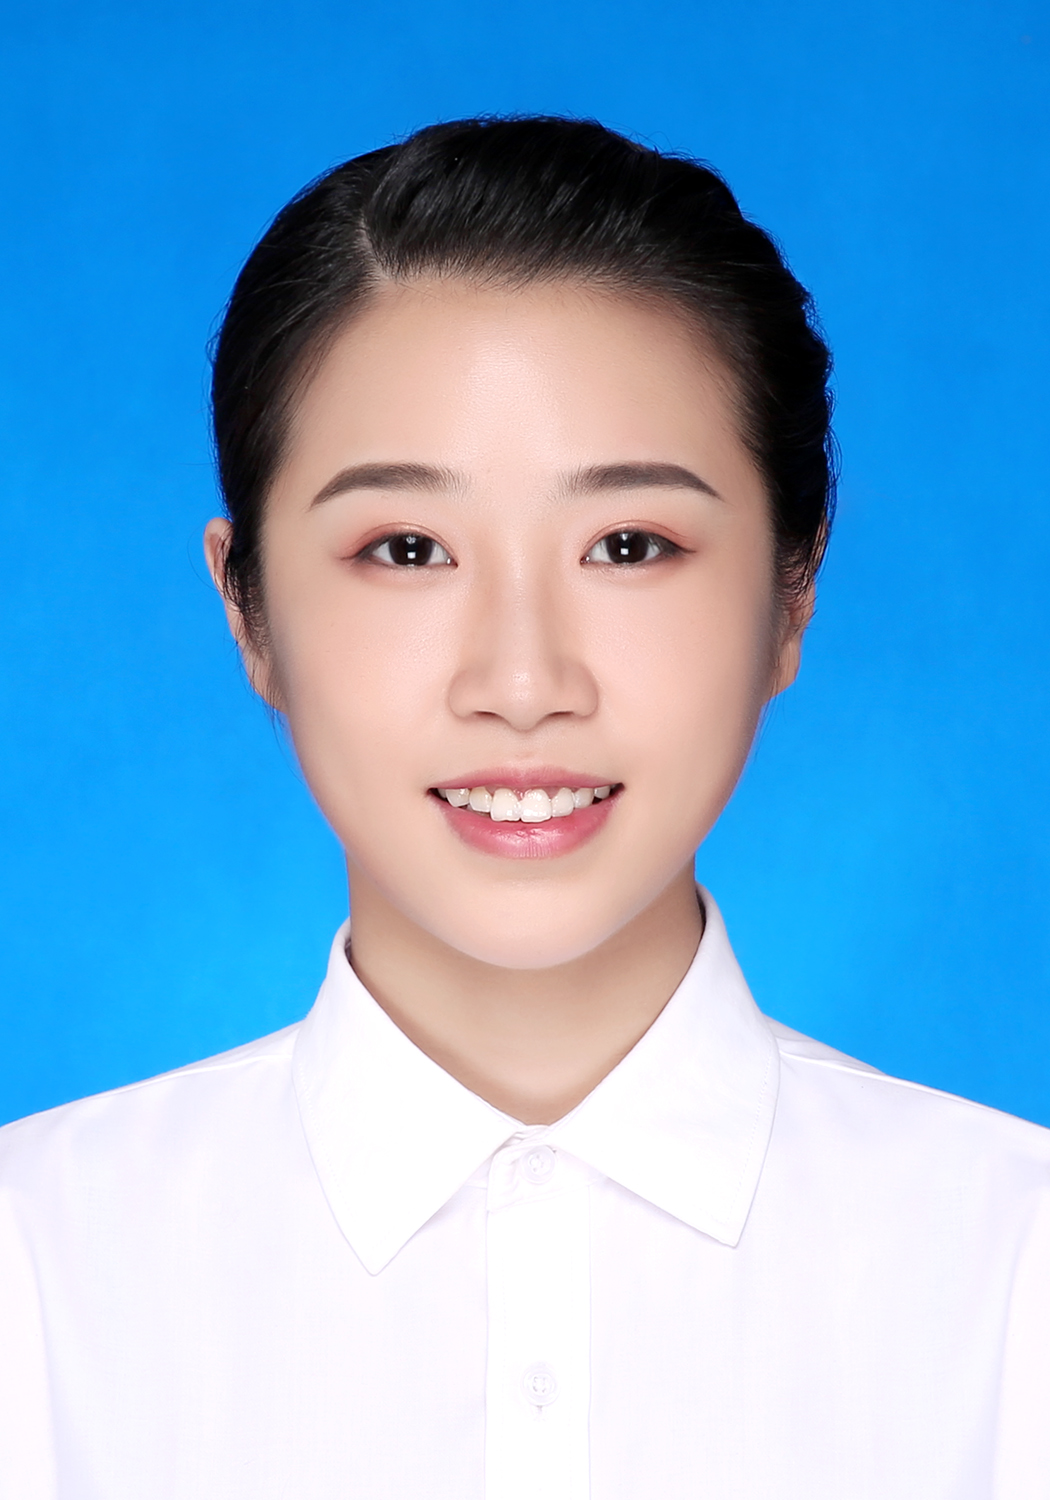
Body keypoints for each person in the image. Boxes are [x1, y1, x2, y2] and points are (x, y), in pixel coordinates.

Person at [0, 116, 1047, 1500]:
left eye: (628, 545)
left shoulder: (1014, 1266)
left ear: (791, 595)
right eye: (405, 548)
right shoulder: (35, 1267)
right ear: (245, 607)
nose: (521, 682)